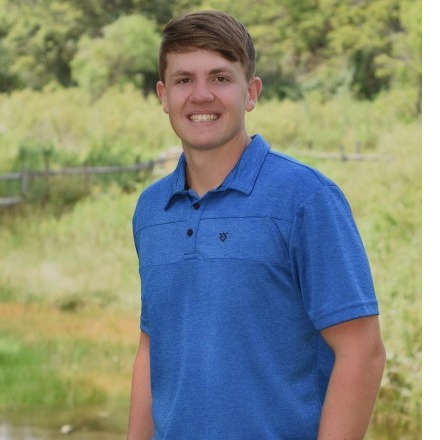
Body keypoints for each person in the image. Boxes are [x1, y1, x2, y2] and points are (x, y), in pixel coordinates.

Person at [127, 10, 386, 440]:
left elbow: (362, 351)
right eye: (184, 80)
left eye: (220, 78)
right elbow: (152, 345)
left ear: (251, 92)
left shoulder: (306, 198)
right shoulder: (151, 209)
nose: (201, 95)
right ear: (164, 95)